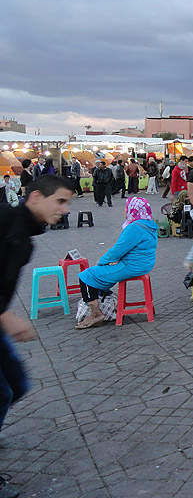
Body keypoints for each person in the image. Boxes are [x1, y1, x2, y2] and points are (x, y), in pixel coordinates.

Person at [0, 175, 73, 497]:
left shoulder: (25, 237)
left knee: (16, 384)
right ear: (35, 198)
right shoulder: (4, 220)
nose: (65, 209)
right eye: (60, 201)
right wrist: (4, 315)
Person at [76, 197, 158, 328]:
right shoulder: (149, 224)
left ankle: (96, 313)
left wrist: (102, 261)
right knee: (100, 273)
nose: (125, 210)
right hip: (144, 264)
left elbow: (118, 250)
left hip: (132, 266)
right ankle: (101, 303)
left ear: (133, 210)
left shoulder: (135, 227)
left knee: (87, 275)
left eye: (127, 207)